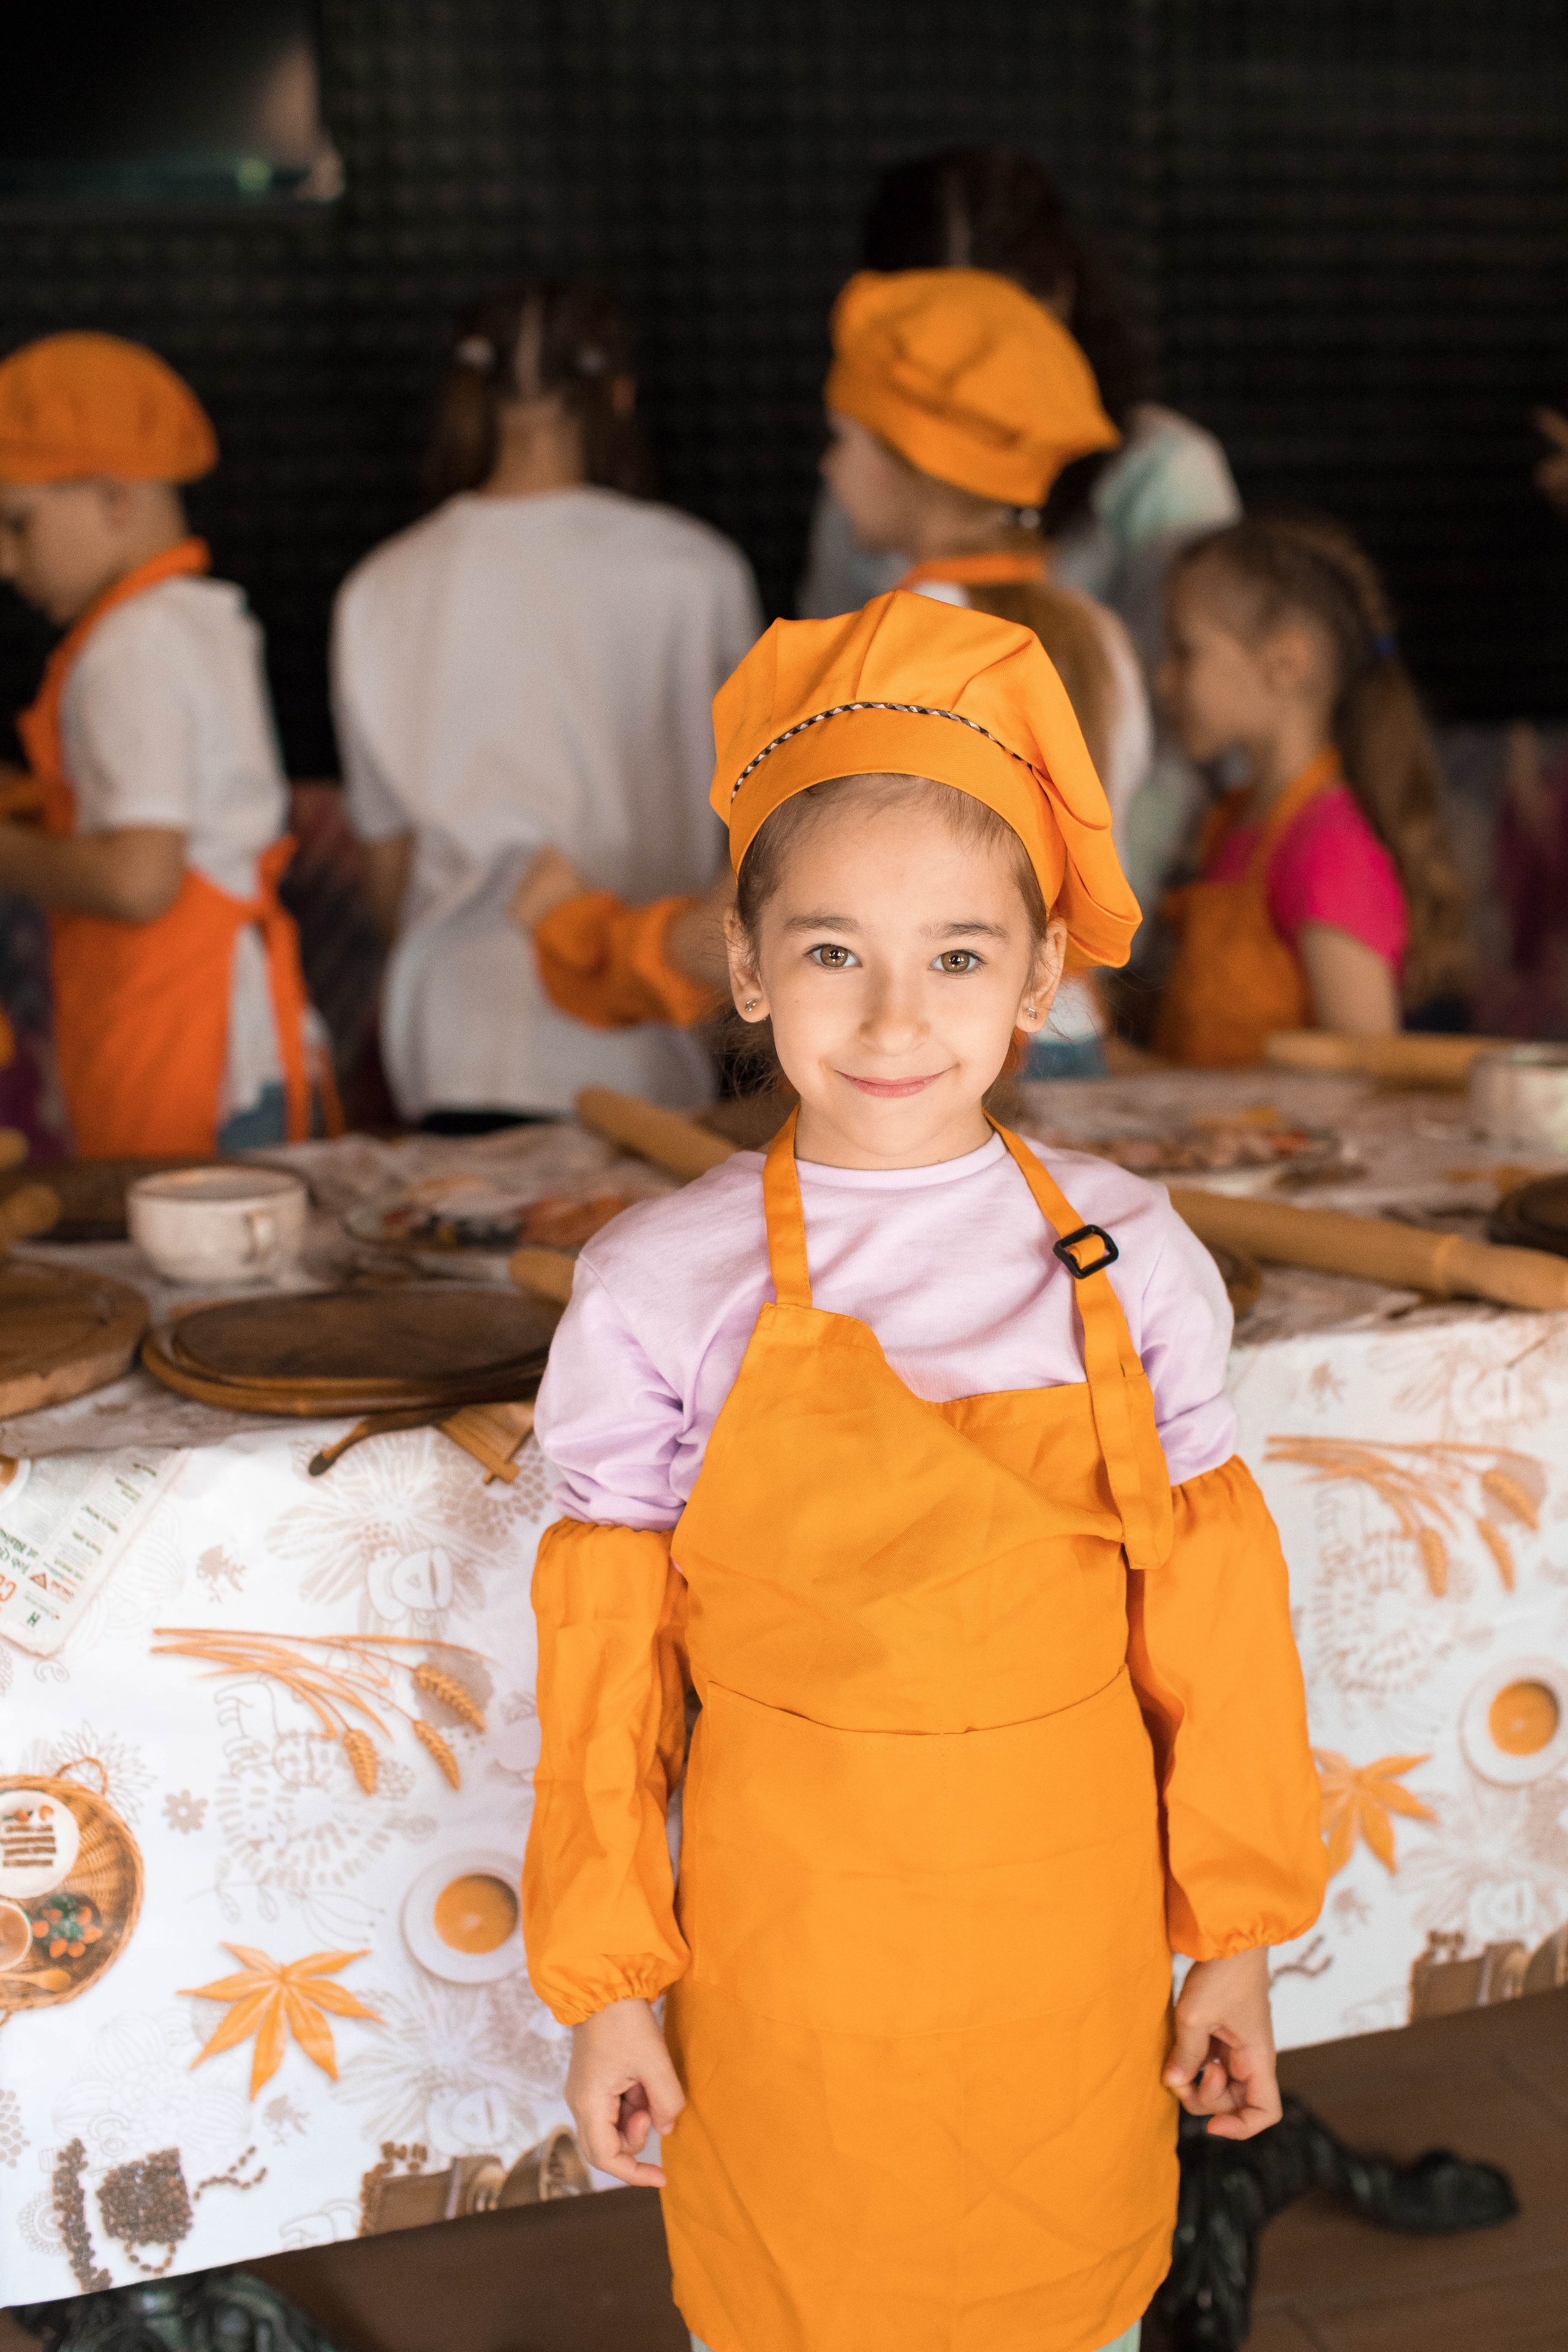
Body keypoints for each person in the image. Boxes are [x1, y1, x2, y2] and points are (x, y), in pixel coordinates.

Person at [522, 593, 1327, 2352]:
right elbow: (605, 1677)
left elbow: (1214, 1630)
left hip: (1066, 1941)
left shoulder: (1127, 1252)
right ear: (745, 966)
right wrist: (609, 1988)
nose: (894, 1016)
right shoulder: (659, 1282)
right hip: (789, 1949)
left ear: (1041, 976)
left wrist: (1235, 1941)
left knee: (1064, 2307)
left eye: (959, 957)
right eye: (833, 950)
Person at [524, 265, 1153, 1076]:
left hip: (932, 1060)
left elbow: (753, 926)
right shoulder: (1099, 637)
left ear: (899, 461)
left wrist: (578, 934)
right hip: (1069, 1041)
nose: (827, 467)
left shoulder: (886, 656)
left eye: (842, 438)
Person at [331, 281, 762, 1130]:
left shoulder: (381, 587)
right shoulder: (700, 573)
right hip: (642, 1028)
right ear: (620, 396)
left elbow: (387, 869)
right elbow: (749, 825)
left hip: (454, 1033)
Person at [799, 147, 1242, 916]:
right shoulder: (863, 507)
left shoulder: (1164, 479)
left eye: (994, 334)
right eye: (932, 341)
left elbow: (1194, 751)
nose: (967, 379)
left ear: (1059, 301)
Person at [0, 332, 333, 1156]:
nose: (5, 561)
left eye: (18, 522)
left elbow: (140, 878)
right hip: (241, 1043)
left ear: (114, 496)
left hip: (192, 1057)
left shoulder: (131, 647)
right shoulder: (194, 618)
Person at [1152, 515, 1471, 1066]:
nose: (1163, 679)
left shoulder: (1328, 847)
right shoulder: (1233, 821)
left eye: (1185, 650)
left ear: (1285, 664)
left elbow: (1366, 1066)